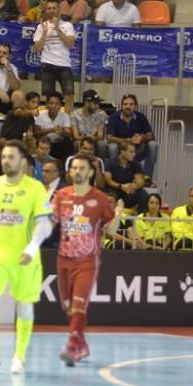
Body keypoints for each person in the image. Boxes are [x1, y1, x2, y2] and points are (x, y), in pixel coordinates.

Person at [0, 140, 52, 375]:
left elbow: (44, 224)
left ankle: (19, 357)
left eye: (11, 157)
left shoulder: (36, 188)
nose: (6, 160)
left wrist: (32, 247)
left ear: (23, 161)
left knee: (24, 307)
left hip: (25, 257)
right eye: (4, 156)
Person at [52, 155, 118, 366]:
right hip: (63, 258)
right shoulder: (61, 195)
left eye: (82, 168)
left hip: (87, 260)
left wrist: (118, 214)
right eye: (74, 168)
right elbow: (49, 221)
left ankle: (72, 347)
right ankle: (82, 344)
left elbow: (111, 229)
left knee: (80, 305)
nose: (77, 171)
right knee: (69, 309)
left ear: (90, 172)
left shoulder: (99, 199)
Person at [33, 0, 76, 112]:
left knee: (69, 96)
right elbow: (37, 49)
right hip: (47, 64)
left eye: (54, 8)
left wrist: (57, 29)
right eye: (49, 8)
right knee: (49, 98)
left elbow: (71, 43)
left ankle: (67, 124)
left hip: (64, 65)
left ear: (59, 9)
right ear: (46, 10)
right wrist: (45, 33)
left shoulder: (67, 25)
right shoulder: (41, 27)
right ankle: (49, 125)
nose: (51, 10)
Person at [105, 94, 158, 178]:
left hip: (137, 149)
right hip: (121, 150)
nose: (128, 106)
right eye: (125, 104)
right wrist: (128, 140)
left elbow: (151, 135)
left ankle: (147, 177)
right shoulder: (114, 117)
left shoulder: (141, 117)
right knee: (112, 147)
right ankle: (115, 176)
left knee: (153, 145)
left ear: (135, 106)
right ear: (122, 106)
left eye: (131, 104)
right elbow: (109, 138)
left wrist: (141, 138)